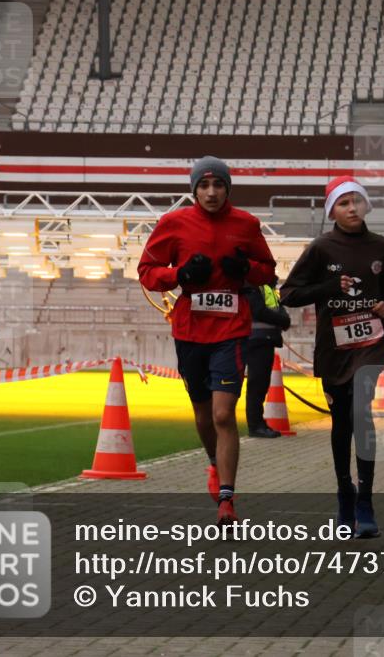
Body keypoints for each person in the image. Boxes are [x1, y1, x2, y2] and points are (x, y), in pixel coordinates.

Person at [138, 156, 275, 525]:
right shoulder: (173, 223)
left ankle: (227, 500)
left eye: (218, 185)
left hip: (231, 332)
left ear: (228, 188)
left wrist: (245, 270)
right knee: (202, 414)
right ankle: (214, 464)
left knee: (223, 413)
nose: (211, 193)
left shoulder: (246, 224)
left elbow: (269, 270)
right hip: (190, 331)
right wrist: (178, 273)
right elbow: (146, 272)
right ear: (194, 189)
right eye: (204, 186)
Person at [280, 175, 384, 538]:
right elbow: (289, 294)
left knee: (361, 415)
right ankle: (344, 494)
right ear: (332, 209)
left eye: (356, 202)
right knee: (342, 421)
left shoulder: (383, 247)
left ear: (366, 206)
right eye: (344, 203)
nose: (352, 209)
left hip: (371, 343)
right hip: (334, 348)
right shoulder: (321, 248)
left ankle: (365, 500)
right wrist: (330, 287)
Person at [242, 274, 291, 438]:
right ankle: (255, 425)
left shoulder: (266, 288)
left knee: (260, 385)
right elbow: (259, 311)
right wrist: (283, 320)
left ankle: (257, 424)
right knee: (257, 385)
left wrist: (283, 319)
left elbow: (276, 308)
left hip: (264, 339)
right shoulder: (253, 284)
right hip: (256, 340)